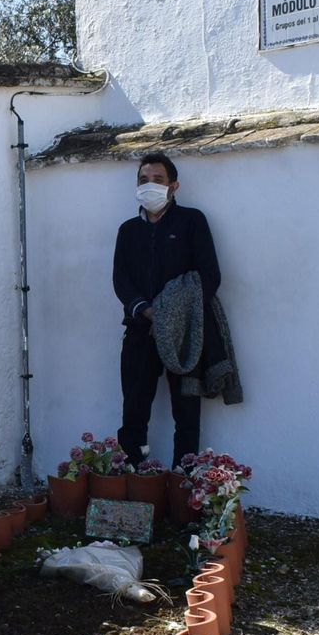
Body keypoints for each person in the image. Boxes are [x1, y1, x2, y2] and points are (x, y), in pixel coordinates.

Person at [113, 151, 221, 466]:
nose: (150, 185)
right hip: (139, 332)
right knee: (134, 409)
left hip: (185, 336)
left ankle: (184, 485)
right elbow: (121, 280)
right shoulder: (128, 231)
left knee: (186, 413)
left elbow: (209, 276)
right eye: (143, 179)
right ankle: (132, 478)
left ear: (174, 186)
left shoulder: (192, 221)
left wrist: (173, 314)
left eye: (158, 180)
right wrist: (146, 311)